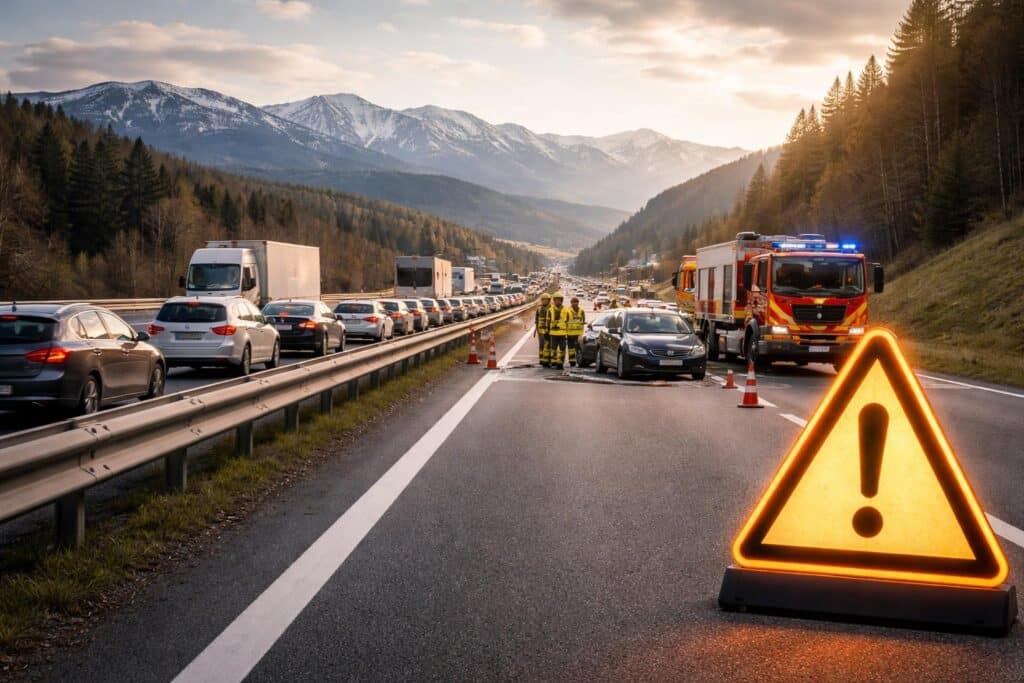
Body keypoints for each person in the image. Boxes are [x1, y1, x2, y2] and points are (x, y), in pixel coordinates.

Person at [547, 291, 569, 368]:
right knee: (553, 349)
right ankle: (554, 362)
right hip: (553, 333)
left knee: (562, 349)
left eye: (559, 300)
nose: (558, 301)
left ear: (561, 300)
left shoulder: (566, 310)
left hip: (562, 333)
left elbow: (568, 321)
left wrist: (568, 332)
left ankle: (560, 363)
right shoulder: (550, 310)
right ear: (554, 300)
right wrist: (547, 331)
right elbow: (548, 321)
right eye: (556, 300)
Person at [566, 296, 586, 367]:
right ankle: (572, 361)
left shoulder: (581, 311)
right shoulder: (567, 311)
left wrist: (581, 334)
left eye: (576, 302)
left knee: (578, 348)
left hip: (578, 333)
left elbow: (583, 322)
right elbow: (565, 322)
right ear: (571, 303)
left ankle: (579, 360)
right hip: (570, 333)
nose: (575, 304)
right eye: (573, 302)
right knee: (571, 348)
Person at [534, 293, 551, 367]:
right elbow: (537, 319)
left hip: (549, 329)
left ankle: (548, 359)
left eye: (545, 300)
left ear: (548, 300)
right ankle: (542, 359)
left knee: (548, 345)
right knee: (541, 345)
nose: (544, 301)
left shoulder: (551, 308)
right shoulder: (539, 308)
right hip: (541, 330)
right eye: (543, 300)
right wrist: (536, 329)